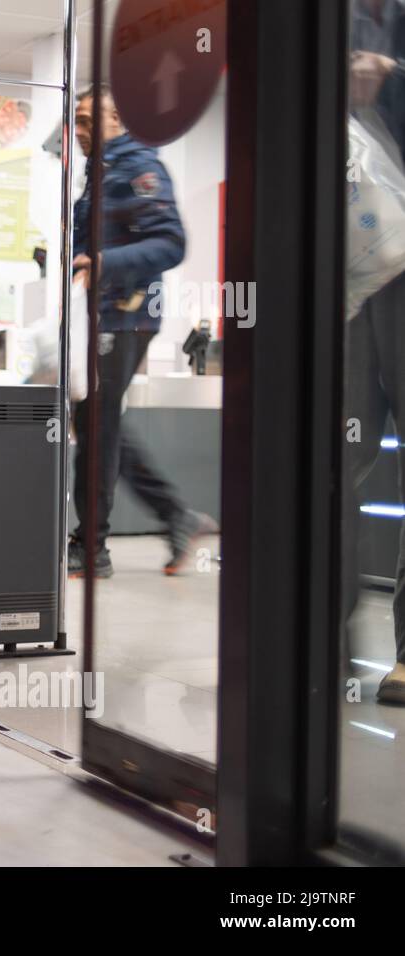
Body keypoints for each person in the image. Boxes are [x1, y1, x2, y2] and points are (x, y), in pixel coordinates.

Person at [69, 85, 214, 579]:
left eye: (89, 120)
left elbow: (171, 243)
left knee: (96, 422)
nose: (80, 130)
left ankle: (91, 547)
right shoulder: (97, 173)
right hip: (99, 314)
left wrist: (105, 263)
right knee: (98, 421)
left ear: (118, 120)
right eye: (78, 120)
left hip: (129, 313)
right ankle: (176, 514)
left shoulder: (138, 167)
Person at [345, 0, 405, 703]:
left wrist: (390, 77)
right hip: (344, 266)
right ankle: (322, 637)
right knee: (337, 457)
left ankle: (403, 651)